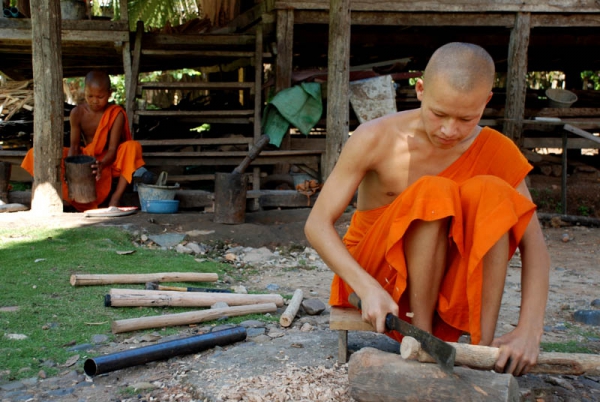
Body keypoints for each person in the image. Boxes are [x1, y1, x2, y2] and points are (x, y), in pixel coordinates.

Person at [305, 42, 550, 376]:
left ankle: (481, 346)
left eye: (467, 118)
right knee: (434, 191)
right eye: (439, 114)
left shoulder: (496, 150)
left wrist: (529, 331)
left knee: (494, 193)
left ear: (486, 103)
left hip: (446, 285)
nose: (450, 130)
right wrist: (367, 288)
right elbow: (316, 224)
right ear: (420, 89)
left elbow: (535, 246)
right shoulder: (375, 137)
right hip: (379, 279)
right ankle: (423, 339)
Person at [22, 70, 145, 211]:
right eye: (90, 96)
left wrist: (101, 165)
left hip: (109, 160)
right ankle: (66, 196)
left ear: (110, 94)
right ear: (84, 91)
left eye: (100, 96)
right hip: (85, 157)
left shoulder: (116, 113)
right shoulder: (78, 113)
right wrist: (71, 169)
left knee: (132, 147)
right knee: (36, 153)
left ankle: (115, 198)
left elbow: (112, 149)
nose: (94, 100)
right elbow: (74, 146)